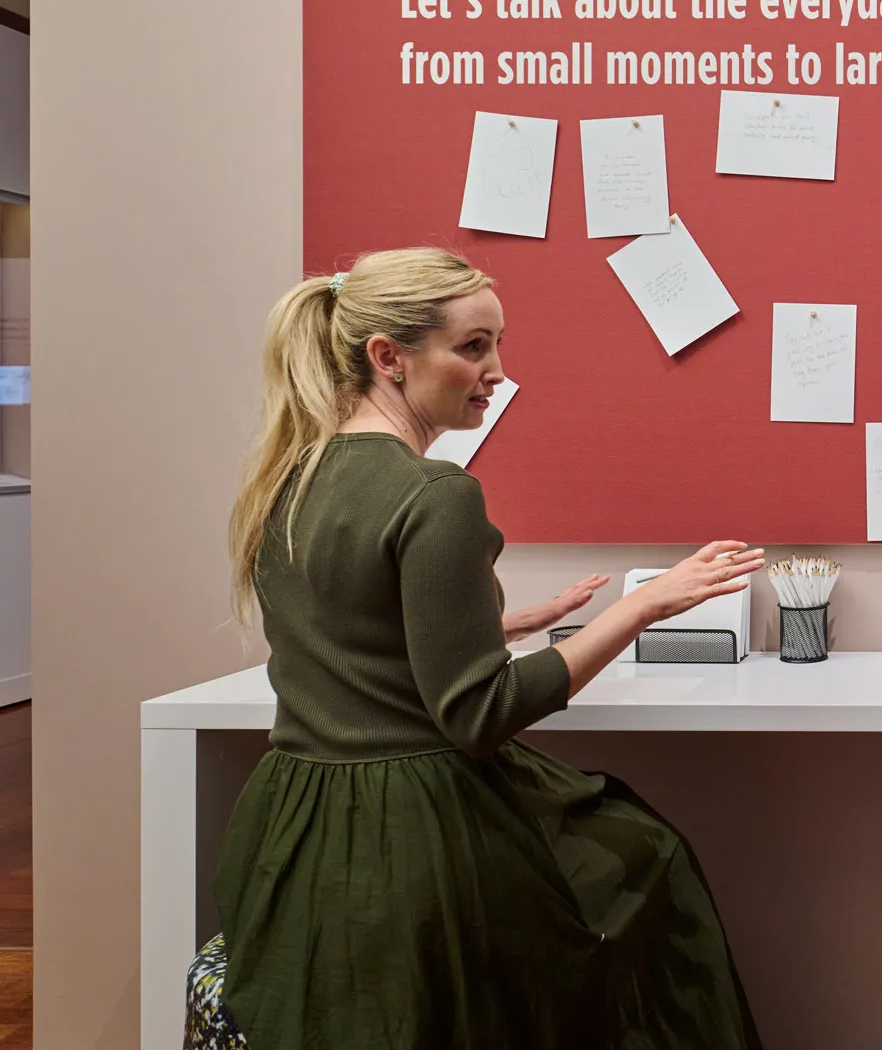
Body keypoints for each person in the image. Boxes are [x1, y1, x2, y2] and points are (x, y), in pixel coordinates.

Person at [216, 247, 766, 1050]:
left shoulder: (288, 479)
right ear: (388, 358)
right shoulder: (437, 493)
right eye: (473, 347)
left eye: (496, 345)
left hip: (294, 821)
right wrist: (644, 605)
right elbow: (480, 712)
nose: (498, 371)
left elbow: (345, 624)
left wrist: (490, 625)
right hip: (413, 830)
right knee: (646, 861)